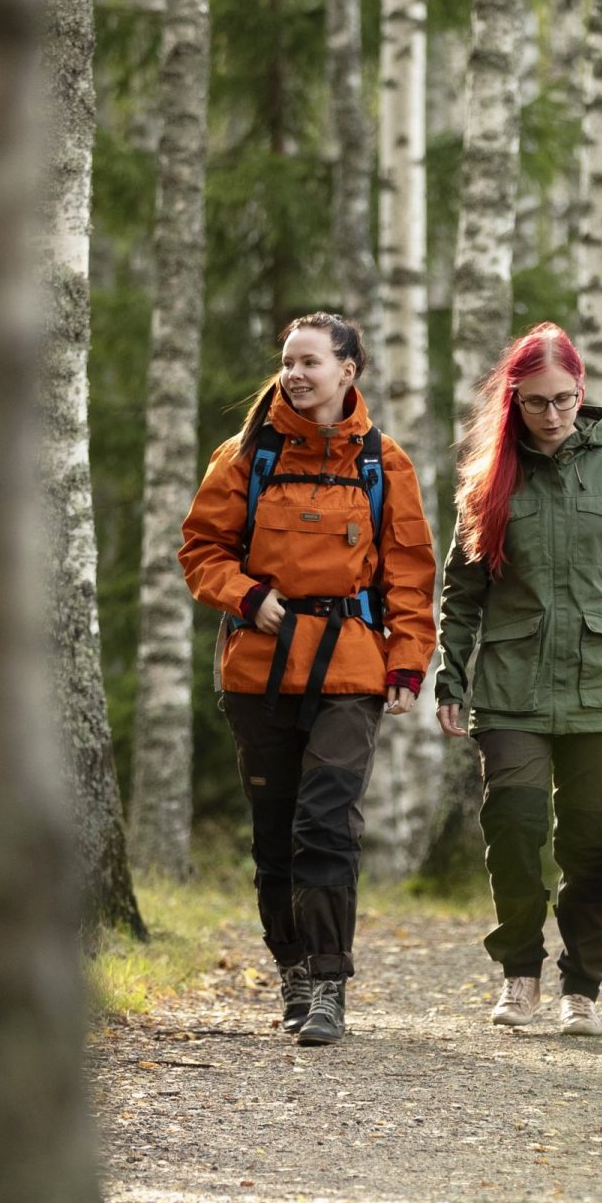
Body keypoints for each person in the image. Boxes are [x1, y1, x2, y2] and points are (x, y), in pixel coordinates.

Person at [180, 313, 438, 1046]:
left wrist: (407, 662)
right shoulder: (245, 456)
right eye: (288, 361)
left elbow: (411, 576)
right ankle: (291, 968)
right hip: (258, 672)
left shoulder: (383, 464)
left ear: (348, 371)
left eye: (311, 362)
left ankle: (328, 986)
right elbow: (200, 550)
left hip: (351, 669)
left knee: (326, 824)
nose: (295, 373)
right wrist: (245, 595)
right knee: (274, 835)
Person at [436, 323, 602, 1036]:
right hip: (512, 683)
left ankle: (583, 988)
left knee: (590, 840)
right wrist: (451, 680)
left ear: (583, 393)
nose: (553, 414)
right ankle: (519, 974)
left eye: (565, 399)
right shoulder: (487, 479)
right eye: (538, 402)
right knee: (512, 826)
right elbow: (462, 594)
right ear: (515, 401)